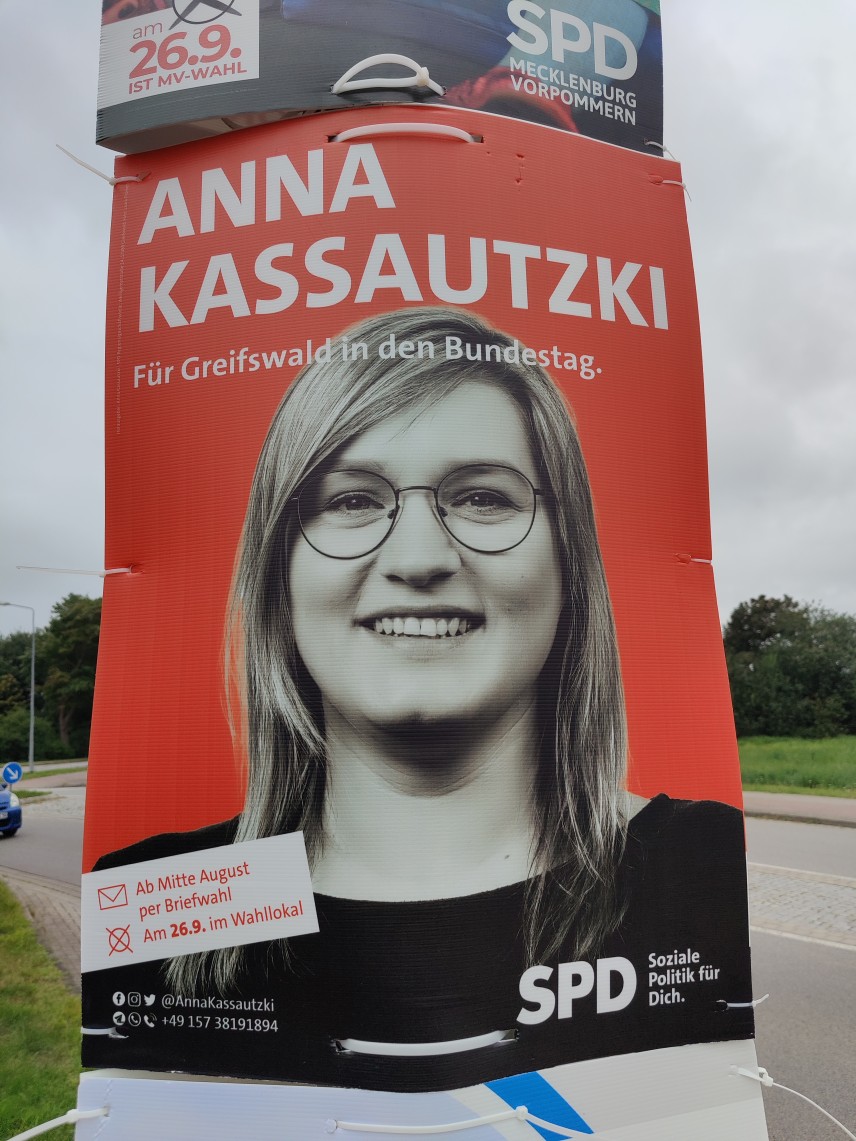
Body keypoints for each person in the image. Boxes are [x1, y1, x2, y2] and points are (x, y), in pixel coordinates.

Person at [83, 307, 753, 1090]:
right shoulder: (151, 903)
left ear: (570, 563)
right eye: (352, 500)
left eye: (482, 497)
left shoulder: (703, 865)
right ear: (279, 573)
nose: (420, 557)